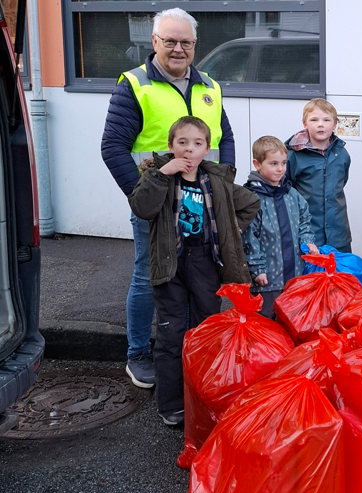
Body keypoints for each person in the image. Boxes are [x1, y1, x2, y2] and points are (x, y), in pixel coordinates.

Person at [101, 7, 236, 390]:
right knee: (150, 277)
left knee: (195, 277)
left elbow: (224, 138)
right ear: (154, 41)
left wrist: (223, 186)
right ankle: (138, 355)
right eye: (170, 41)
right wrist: (145, 198)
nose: (179, 49)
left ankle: (188, 352)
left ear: (195, 45)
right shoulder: (135, 84)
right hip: (158, 207)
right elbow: (113, 147)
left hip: (201, 203)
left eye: (186, 42)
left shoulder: (209, 86)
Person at [128, 117, 259, 426]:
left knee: (205, 332)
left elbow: (251, 203)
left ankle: (201, 399)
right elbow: (142, 208)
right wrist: (163, 174)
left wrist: (228, 232)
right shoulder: (158, 175)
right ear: (171, 145)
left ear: (207, 148)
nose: (189, 150)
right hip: (170, 263)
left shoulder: (215, 180)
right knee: (171, 333)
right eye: (182, 143)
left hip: (204, 262)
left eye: (197, 143)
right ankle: (171, 405)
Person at [242, 136, 319, 318]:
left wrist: (307, 241)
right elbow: (248, 238)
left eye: (284, 163)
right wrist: (257, 269)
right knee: (266, 321)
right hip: (268, 279)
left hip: (294, 276)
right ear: (257, 164)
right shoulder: (251, 199)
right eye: (273, 163)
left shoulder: (292, 194)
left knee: (292, 320)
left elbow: (305, 221)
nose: (280, 169)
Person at [286, 99, 352, 253]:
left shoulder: (341, 153)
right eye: (314, 120)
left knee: (341, 268)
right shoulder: (293, 155)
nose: (320, 124)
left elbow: (342, 182)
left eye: (326, 120)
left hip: (338, 236)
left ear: (335, 125)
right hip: (308, 235)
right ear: (305, 124)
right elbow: (285, 191)